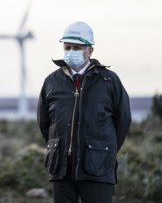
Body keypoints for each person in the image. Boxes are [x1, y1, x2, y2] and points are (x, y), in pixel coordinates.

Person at [37, 21, 131, 203]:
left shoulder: (109, 81)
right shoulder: (51, 81)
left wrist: (102, 151)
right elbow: (44, 123)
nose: (71, 51)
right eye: (68, 46)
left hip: (98, 169)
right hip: (61, 170)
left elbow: (123, 121)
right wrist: (56, 146)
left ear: (90, 50)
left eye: (77, 47)